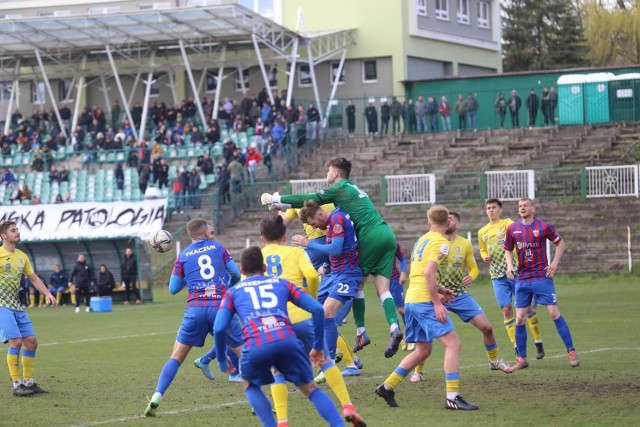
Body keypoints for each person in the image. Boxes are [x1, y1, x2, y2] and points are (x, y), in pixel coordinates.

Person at [261, 157, 403, 358]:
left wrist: (278, 199)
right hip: (387, 234)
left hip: (370, 236)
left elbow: (311, 198)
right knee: (383, 289)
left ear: (335, 173)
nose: (327, 175)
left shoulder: (339, 188)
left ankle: (360, 331)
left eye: (328, 171)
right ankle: (393, 327)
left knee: (357, 283)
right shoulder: (353, 188)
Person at [213, 247, 346, 427]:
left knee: (250, 384)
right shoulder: (282, 284)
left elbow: (219, 328)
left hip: (256, 345)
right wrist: (317, 346)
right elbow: (316, 309)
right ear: (265, 267)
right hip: (287, 341)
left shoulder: (233, 292)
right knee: (311, 390)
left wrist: (222, 360)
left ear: (242, 271)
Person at [260, 215, 366, 427]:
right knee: (325, 360)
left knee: (277, 371)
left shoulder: (259, 256)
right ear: (284, 235)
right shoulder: (296, 251)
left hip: (274, 322)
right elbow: (311, 274)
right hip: (300, 317)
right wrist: (309, 296)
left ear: (262, 238)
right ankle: (347, 405)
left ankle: (282, 421)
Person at [375, 205, 478, 410]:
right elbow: (429, 273)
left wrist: (441, 290)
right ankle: (452, 397)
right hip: (424, 302)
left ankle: (387, 387)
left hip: (412, 300)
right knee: (453, 344)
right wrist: (437, 301)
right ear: (448, 223)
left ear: (428, 222)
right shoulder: (442, 243)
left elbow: (420, 273)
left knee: (423, 350)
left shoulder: (422, 240)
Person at [144, 218, 244, 417]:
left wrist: (189, 279)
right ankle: (258, 401)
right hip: (220, 307)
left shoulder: (183, 256)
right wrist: (229, 288)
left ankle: (157, 396)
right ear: (205, 231)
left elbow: (173, 289)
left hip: (196, 310)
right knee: (246, 354)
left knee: (176, 357)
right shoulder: (218, 248)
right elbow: (236, 273)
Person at [409, 212, 509, 383]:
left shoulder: (464, 244)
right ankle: (418, 372)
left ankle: (494, 361)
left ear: (457, 224)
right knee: (428, 335)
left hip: (458, 294)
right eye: (446, 220)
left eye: (451, 220)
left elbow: (474, 268)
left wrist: (472, 276)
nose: (448, 222)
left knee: (487, 328)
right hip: (436, 294)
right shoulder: (435, 242)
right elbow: (427, 272)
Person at [503, 198, 580, 372]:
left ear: (533, 208)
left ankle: (571, 351)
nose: (522, 208)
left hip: (541, 277)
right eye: (520, 206)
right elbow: (507, 248)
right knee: (520, 317)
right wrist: (509, 266)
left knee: (553, 313)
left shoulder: (544, 226)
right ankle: (521, 358)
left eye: (525, 206)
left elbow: (560, 243)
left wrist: (554, 264)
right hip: (522, 279)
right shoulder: (512, 228)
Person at [478, 199, 544, 358]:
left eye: (494, 207)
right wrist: (484, 256)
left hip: (515, 272)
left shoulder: (509, 224)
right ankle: (516, 346)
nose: (491, 210)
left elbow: (518, 240)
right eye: (488, 208)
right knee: (506, 310)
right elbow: (482, 249)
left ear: (500, 210)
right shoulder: (482, 232)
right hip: (497, 276)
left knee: (526, 308)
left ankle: (538, 341)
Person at [0, 220, 57, 396]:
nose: (17, 232)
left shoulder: (22, 256)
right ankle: (17, 385)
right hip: (2, 305)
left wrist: (47, 293)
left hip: (16, 305)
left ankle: (29, 382)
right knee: (16, 342)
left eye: (17, 229)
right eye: (13, 230)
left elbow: (33, 279)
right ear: (3, 236)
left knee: (31, 342)